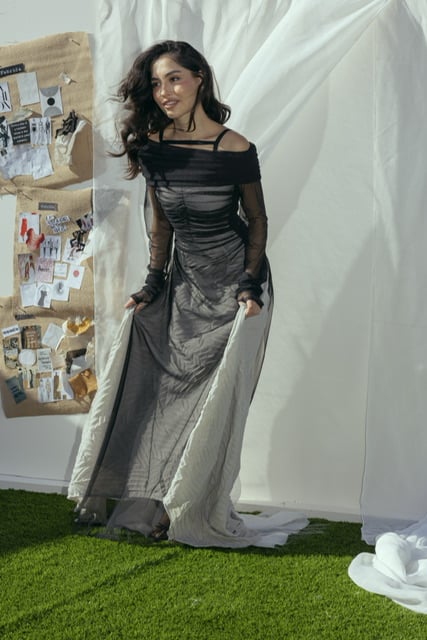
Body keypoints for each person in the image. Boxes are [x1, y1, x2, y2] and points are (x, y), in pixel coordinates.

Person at [70, 41, 304, 548]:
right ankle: (155, 505)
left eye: (174, 78)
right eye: (156, 83)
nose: (165, 91)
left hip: (239, 289)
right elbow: (161, 225)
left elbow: (257, 220)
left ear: (199, 78)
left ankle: (192, 508)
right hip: (184, 287)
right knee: (161, 398)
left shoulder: (235, 148)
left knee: (213, 404)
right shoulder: (153, 146)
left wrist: (249, 285)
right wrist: (152, 283)